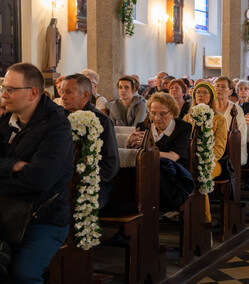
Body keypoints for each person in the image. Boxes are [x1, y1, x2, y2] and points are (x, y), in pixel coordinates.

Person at [0, 63, 73, 283]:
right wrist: (13, 166)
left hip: (43, 219)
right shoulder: (5, 123)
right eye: (3, 88)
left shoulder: (57, 128)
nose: (4, 94)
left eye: (11, 89)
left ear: (32, 93)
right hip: (5, 212)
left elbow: (39, 180)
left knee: (23, 275)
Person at [127, 93, 194, 211]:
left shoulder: (183, 128)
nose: (157, 118)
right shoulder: (143, 126)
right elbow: (134, 153)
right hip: (145, 169)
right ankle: (133, 209)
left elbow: (173, 157)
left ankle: (152, 210)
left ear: (172, 112)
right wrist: (129, 143)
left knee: (157, 170)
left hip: (173, 174)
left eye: (163, 114)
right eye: (153, 113)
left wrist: (147, 149)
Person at [62, 73, 120, 208]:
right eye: (62, 92)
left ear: (85, 96)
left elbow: (111, 163)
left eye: (68, 92)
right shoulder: (60, 118)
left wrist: (86, 178)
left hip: (95, 183)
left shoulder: (101, 121)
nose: (63, 97)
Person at [183, 82, 227, 223]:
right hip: (190, 159)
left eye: (204, 92)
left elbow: (219, 148)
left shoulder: (219, 119)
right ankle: (184, 212)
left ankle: (204, 220)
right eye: (198, 92)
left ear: (211, 97)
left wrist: (205, 160)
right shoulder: (187, 118)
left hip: (213, 162)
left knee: (201, 175)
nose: (200, 95)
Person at [214, 76, 248, 165]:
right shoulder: (209, 108)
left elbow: (241, 134)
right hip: (212, 148)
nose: (219, 89)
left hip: (232, 150)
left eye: (223, 87)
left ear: (230, 91)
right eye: (217, 86)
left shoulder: (236, 109)